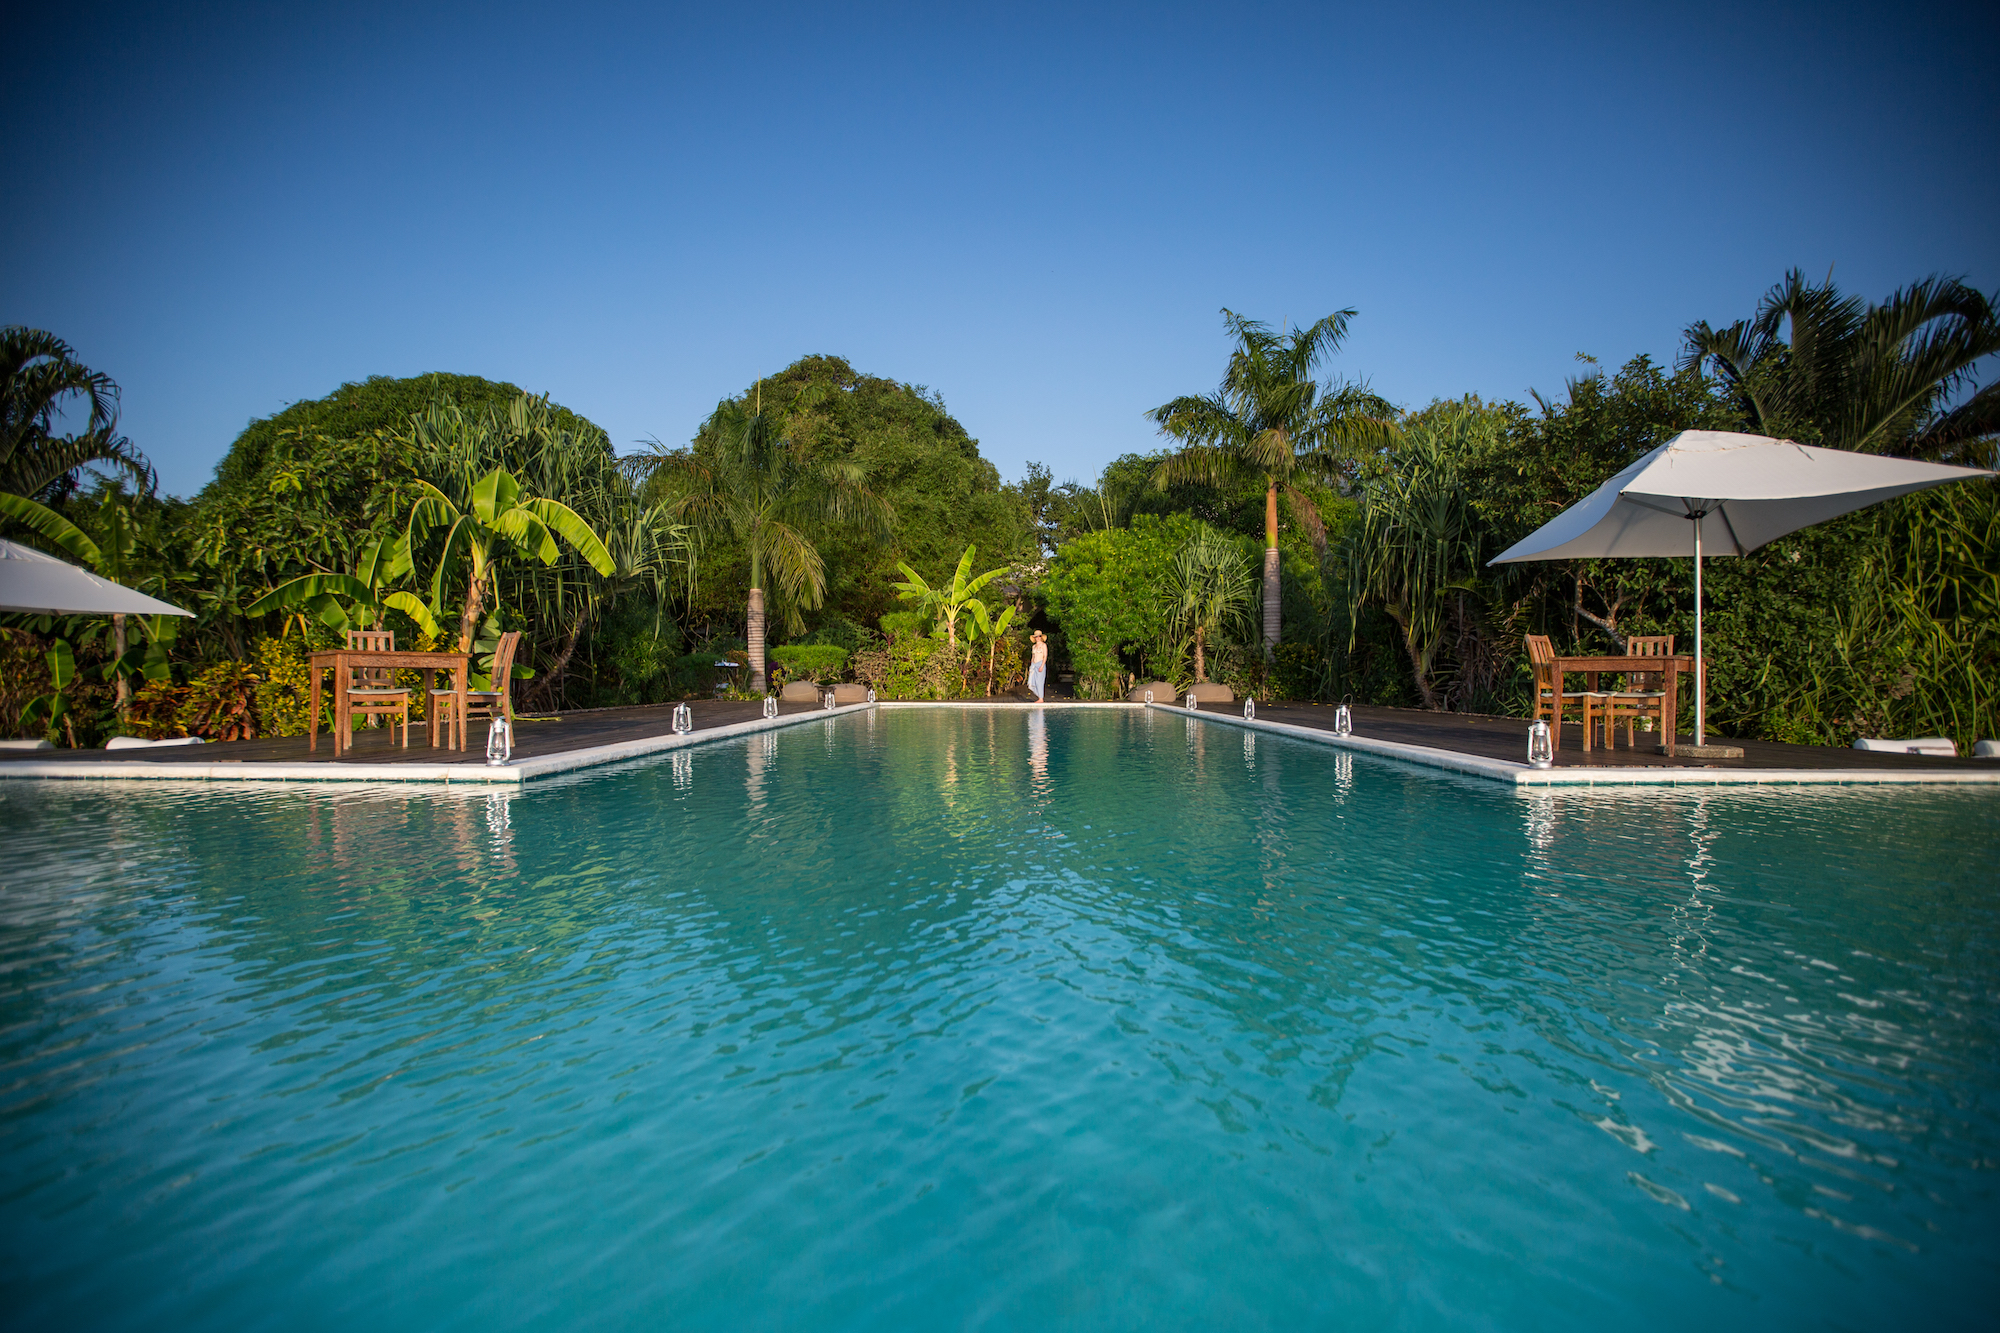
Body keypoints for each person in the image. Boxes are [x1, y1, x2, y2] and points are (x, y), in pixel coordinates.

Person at [1027, 630, 1048, 702]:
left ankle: (1041, 698)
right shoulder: (1034, 646)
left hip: (1040, 663)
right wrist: (1031, 666)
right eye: (1036, 636)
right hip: (1034, 664)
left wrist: (1042, 665)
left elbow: (1045, 656)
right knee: (1032, 681)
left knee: (1039, 681)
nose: (1038, 638)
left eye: (1039, 636)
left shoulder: (1043, 645)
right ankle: (1039, 696)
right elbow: (1033, 656)